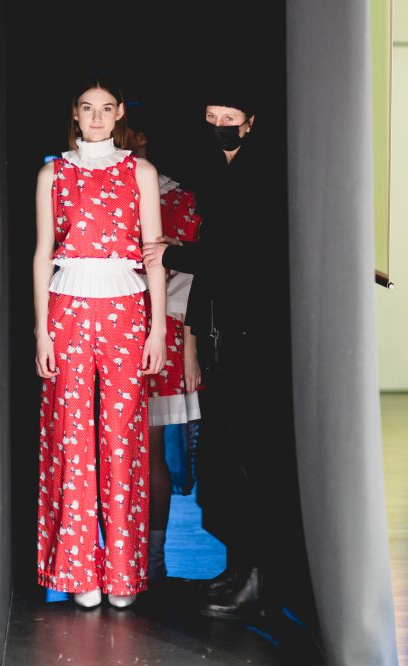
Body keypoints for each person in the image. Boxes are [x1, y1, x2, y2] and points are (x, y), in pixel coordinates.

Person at [142, 79, 297, 620]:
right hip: (224, 337)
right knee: (229, 460)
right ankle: (239, 569)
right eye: (211, 118)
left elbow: (241, 257)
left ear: (249, 123)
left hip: (252, 339)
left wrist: (174, 254)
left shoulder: (259, 177)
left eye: (228, 118)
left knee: (252, 460)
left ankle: (257, 581)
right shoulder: (221, 176)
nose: (219, 128)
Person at [34, 74, 167, 610]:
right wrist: (40, 329)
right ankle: (77, 570)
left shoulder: (140, 172)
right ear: (74, 113)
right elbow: (43, 252)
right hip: (67, 308)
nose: (95, 117)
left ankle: (122, 572)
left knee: (122, 436)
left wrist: (158, 328)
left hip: (126, 310)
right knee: (70, 437)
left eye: (105, 108)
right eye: (86, 108)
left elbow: (154, 254)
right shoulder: (54, 173)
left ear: (119, 114)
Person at [125, 104, 202, 580]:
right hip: (105, 325)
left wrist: (189, 347)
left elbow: (190, 280)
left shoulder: (179, 198)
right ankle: (119, 557)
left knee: (148, 448)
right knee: (113, 449)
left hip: (159, 331)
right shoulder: (101, 189)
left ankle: (151, 560)